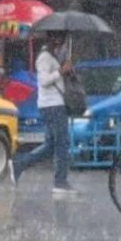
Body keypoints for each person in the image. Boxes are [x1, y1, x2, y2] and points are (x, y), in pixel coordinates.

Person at [10, 32, 75, 197]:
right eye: (60, 39)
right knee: (61, 143)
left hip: (56, 103)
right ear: (53, 39)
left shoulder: (53, 57)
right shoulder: (44, 57)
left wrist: (66, 71)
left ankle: (19, 165)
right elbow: (44, 81)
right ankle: (60, 182)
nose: (62, 44)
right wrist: (61, 71)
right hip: (52, 105)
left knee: (51, 145)